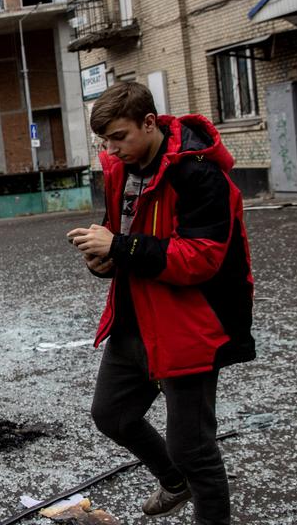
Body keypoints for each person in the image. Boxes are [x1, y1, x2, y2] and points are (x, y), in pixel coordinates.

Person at [68, 82, 254, 525]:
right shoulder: (121, 170)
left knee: (193, 448)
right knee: (112, 414)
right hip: (135, 318)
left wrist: (122, 248)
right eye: (105, 141)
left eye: (119, 137)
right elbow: (124, 237)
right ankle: (175, 482)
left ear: (149, 123)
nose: (111, 150)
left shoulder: (199, 173)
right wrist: (105, 261)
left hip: (189, 326)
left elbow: (202, 258)